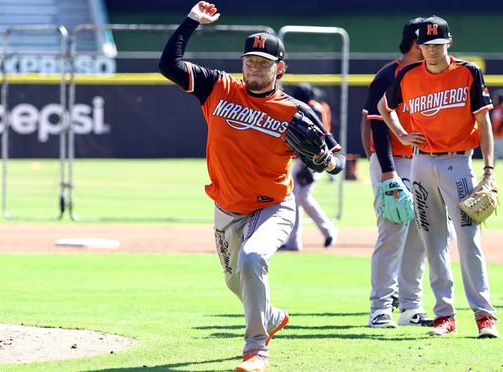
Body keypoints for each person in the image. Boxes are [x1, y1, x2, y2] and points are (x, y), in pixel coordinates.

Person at [158, 2, 346, 371]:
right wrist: (192, 21)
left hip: (273, 205)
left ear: (280, 67)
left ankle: (256, 349)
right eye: (250, 61)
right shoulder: (219, 86)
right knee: (235, 283)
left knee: (253, 258)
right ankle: (271, 316)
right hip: (226, 206)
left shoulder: (295, 110)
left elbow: (336, 160)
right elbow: (169, 65)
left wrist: (326, 161)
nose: (255, 68)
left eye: (263, 63)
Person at [378, 15, 500, 338]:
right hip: (421, 163)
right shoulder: (407, 77)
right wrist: (402, 135)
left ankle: (484, 315)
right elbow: (383, 107)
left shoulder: (468, 73)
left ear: (449, 43)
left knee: (467, 237)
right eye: (426, 45)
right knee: (433, 240)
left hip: (457, 162)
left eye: (437, 44)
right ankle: (444, 314)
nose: (431, 51)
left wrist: (488, 171)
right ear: (419, 46)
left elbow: (484, 123)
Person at [360, 17, 433, 328]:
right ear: (416, 45)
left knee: (420, 233)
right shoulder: (388, 75)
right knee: (392, 232)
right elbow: (375, 127)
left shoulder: (429, 76)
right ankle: (379, 308)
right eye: (428, 44)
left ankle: (410, 307)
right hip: (392, 161)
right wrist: (386, 172)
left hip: (420, 162)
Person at [281, 83, 338, 251]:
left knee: (300, 198)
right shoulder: (314, 107)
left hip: (316, 158)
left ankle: (327, 231)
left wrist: (308, 168)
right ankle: (297, 240)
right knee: (297, 198)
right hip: (305, 158)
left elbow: (317, 137)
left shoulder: (313, 109)